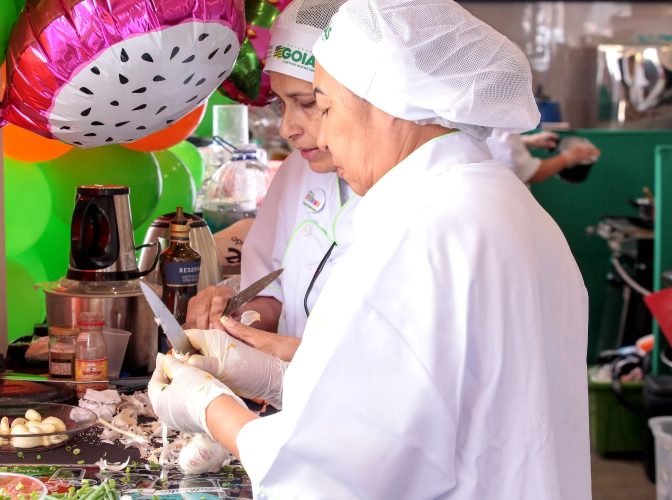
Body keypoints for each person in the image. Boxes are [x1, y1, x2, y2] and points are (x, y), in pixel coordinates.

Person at [150, 0, 591, 498]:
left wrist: (207, 405)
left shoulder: (415, 230)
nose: (320, 134)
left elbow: (326, 473)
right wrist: (277, 375)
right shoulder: (504, 202)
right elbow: (413, 396)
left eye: (323, 105)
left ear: (385, 102)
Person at [185, 0, 354, 361]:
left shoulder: (425, 195)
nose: (286, 128)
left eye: (307, 103)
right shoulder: (298, 170)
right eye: (281, 104)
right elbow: (272, 294)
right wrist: (235, 316)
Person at [487, 129, 601, 183]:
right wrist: (569, 158)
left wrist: (525, 141)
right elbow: (528, 173)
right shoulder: (500, 119)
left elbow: (495, 145)